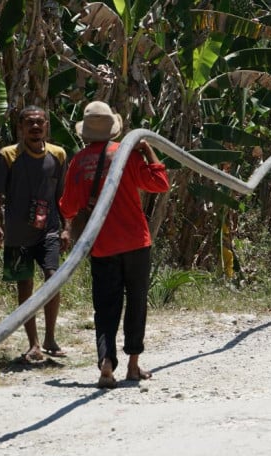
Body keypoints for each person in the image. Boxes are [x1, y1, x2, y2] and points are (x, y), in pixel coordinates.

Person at [59, 100, 170, 388]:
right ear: (112, 130)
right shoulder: (126, 154)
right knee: (136, 303)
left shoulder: (78, 162)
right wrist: (146, 149)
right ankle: (133, 365)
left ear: (86, 133)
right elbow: (160, 183)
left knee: (106, 307)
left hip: (103, 246)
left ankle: (106, 362)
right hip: (136, 242)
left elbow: (68, 207)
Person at [0, 105, 68, 362]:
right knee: (25, 285)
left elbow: (63, 196)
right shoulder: (7, 156)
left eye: (40, 122)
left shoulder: (58, 155)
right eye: (29, 123)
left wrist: (67, 228)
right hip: (18, 232)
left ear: (46, 126)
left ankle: (50, 337)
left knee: (53, 279)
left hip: (49, 230)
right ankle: (33, 343)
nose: (35, 127)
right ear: (20, 128)